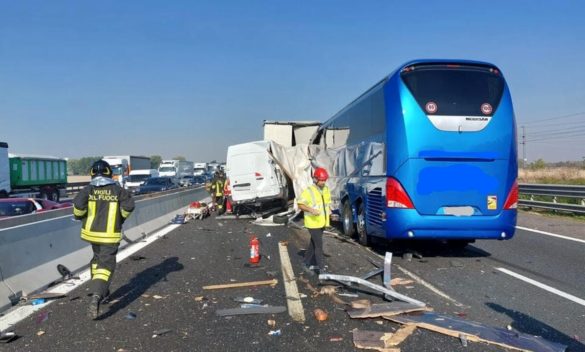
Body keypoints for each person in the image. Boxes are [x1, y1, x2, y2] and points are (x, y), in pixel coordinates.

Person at [73, 160, 135, 320]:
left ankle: (102, 290)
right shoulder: (118, 190)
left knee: (96, 259)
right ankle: (97, 296)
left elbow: (78, 208)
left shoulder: (88, 190)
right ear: (109, 173)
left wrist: (80, 217)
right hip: (109, 236)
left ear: (92, 173)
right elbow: (129, 206)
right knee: (106, 265)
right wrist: (120, 218)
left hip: (92, 234)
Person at [297, 167, 331, 275]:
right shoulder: (309, 191)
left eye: (324, 180)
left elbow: (326, 204)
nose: (323, 182)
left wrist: (330, 212)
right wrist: (311, 210)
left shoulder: (326, 189)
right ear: (315, 179)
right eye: (321, 180)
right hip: (312, 223)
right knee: (319, 246)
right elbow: (300, 204)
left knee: (313, 244)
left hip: (322, 222)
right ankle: (322, 270)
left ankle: (305, 263)